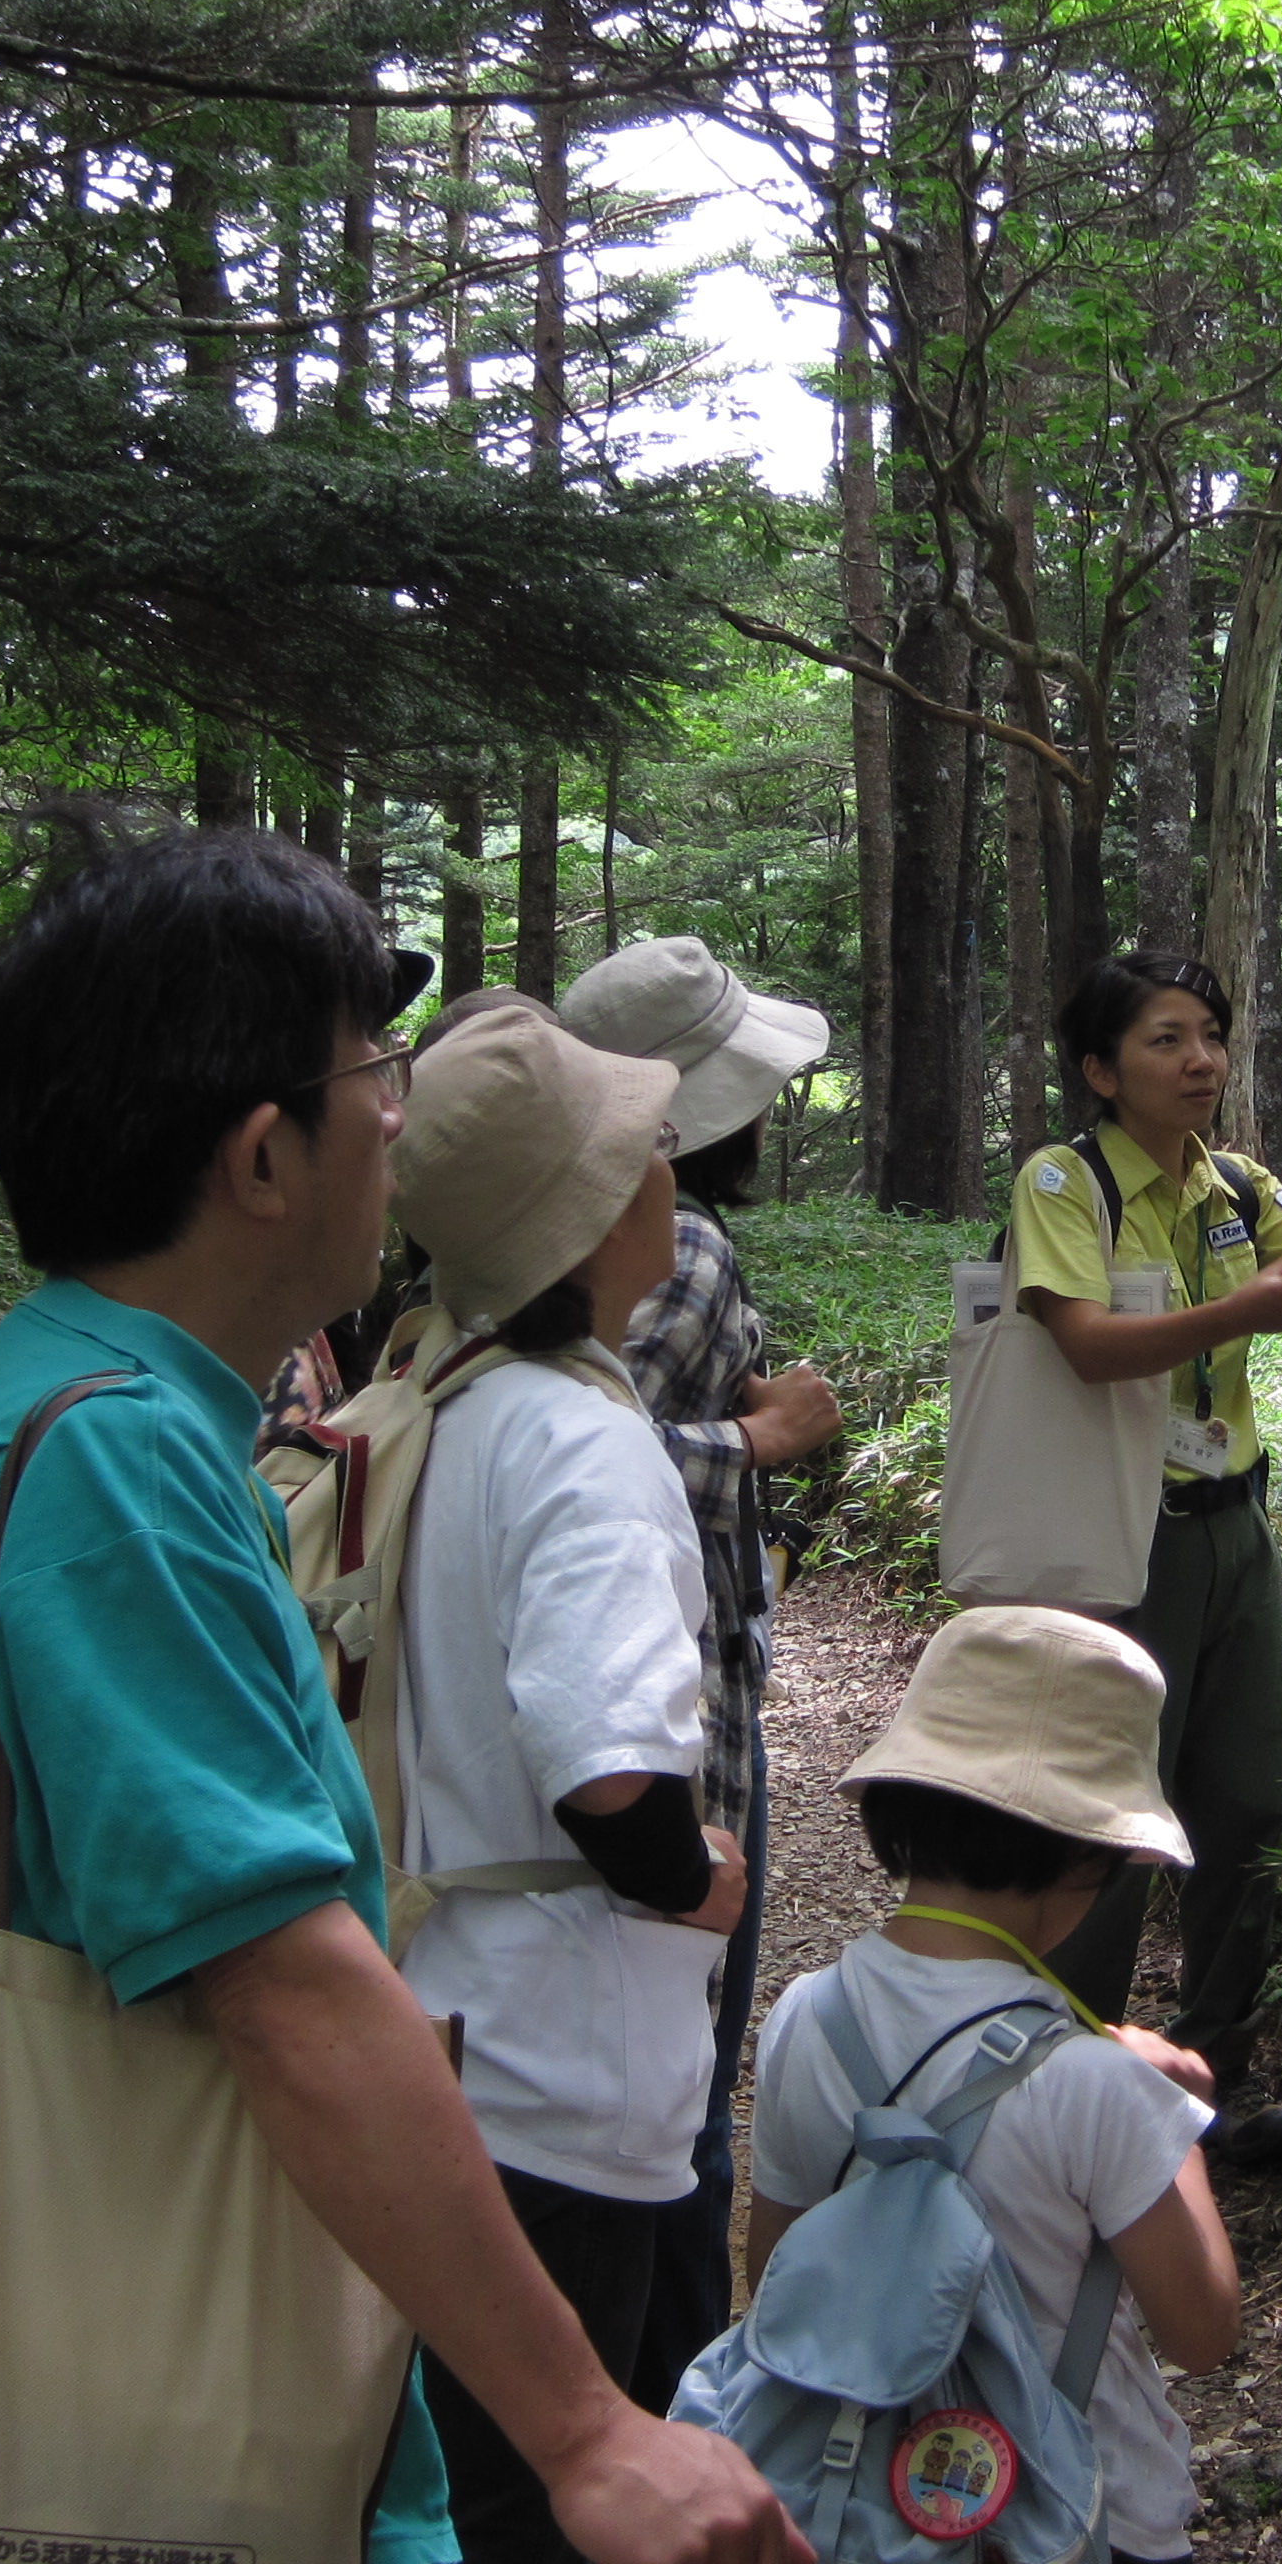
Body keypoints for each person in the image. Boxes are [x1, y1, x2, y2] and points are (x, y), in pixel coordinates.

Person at [0, 829, 801, 2564]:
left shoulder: (50, 1405)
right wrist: (585, 2427)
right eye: (373, 1078)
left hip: (76, 2360)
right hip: (151, 2420)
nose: (398, 1128)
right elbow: (282, 1986)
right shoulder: (124, 1471)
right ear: (261, 1154)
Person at [379, 1007, 762, 2564]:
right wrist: (701, 1882)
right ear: (592, 1212)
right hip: (558, 2086)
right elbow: (612, 1775)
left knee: (456, 2534)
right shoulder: (588, 1447)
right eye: (643, 1160)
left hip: (434, 2028)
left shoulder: (429, 1401)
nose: (668, 1187)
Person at [743, 1604, 1282, 2564]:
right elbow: (1203, 2329)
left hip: (906, 2528)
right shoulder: (1100, 2084)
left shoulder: (804, 2023)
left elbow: (772, 2288)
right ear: (1092, 1860)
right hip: (1094, 2560)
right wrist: (1175, 2118)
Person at [1011, 954, 1282, 2167]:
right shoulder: (1064, 1180)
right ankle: (1070, 2083)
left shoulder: (1237, 1184)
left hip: (1234, 1535)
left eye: (1208, 1036)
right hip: (1117, 1544)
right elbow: (1087, 1344)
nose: (1198, 1060)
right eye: (1163, 1040)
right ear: (1100, 1069)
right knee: (1107, 1821)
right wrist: (1237, 1316)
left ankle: (1213, 2076)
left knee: (1243, 1811)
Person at [557, 933, 846, 2420]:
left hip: (575, 1743)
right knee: (688, 2109)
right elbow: (588, 1453)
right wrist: (763, 1441)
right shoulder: (683, 1244)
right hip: (680, 1745)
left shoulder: (515, 1230)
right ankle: (681, 2430)